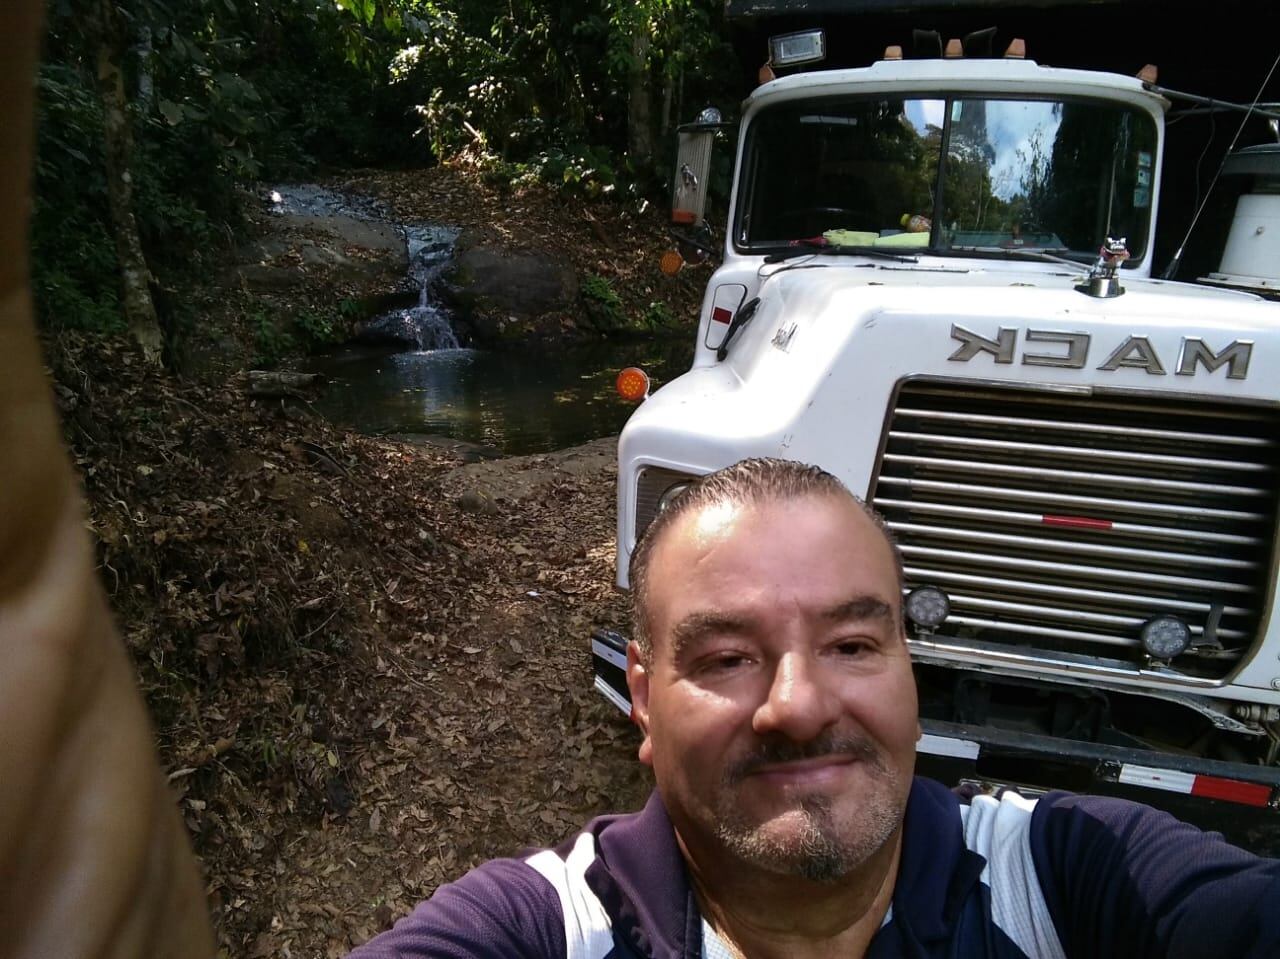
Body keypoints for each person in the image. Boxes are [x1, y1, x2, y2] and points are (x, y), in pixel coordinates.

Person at [348, 458, 1280, 958]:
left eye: (851, 644)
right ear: (641, 695)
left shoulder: (1072, 883)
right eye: (726, 656)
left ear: (908, 669)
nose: (797, 705)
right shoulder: (549, 931)